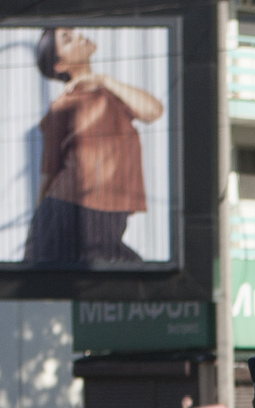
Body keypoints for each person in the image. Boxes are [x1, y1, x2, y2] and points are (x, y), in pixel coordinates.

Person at [27, 28, 161, 265]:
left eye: (73, 32)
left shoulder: (111, 94)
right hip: (71, 209)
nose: (79, 36)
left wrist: (105, 80)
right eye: (67, 39)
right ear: (60, 65)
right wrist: (36, 224)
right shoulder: (63, 106)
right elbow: (48, 171)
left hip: (108, 210)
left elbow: (153, 111)